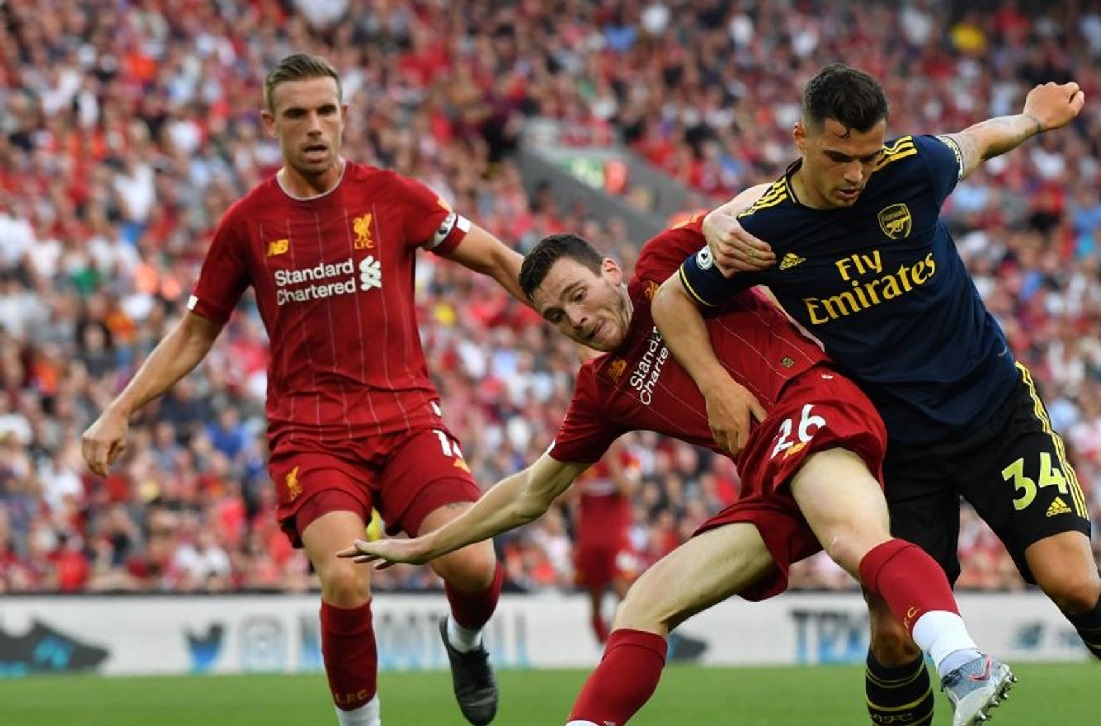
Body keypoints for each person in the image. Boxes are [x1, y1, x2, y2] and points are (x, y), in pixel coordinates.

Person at [652, 62, 1101, 726]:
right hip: (896, 447)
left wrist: (1031, 117)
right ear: (800, 138)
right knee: (894, 637)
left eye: (868, 155)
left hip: (994, 407)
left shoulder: (913, 168)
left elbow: (976, 140)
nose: (856, 173)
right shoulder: (762, 231)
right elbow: (672, 298)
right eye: (838, 156)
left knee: (1073, 581)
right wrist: (715, 386)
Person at [339, 220, 1017, 726]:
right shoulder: (602, 388)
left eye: (579, 294)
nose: (577, 319)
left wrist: (721, 218)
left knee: (852, 541)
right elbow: (532, 492)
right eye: (555, 315)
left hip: (814, 405)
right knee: (645, 603)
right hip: (769, 473)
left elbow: (752, 213)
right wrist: (427, 545)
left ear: (609, 270)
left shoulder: (664, 264)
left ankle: (963, 663)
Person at [80, 53, 520, 726]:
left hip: (405, 416)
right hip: (311, 434)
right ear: (270, 124)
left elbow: (492, 255)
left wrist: (567, 308)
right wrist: (120, 408)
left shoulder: (394, 196)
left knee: (470, 562)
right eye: (296, 114)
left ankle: (464, 642)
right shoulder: (248, 223)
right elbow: (196, 331)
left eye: (325, 112)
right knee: (345, 576)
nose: (314, 126)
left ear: (345, 118)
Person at [569, 439, 641, 644]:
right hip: (589, 538)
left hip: (618, 537)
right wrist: (578, 489)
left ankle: (624, 632)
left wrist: (612, 461)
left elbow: (627, 489)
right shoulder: (583, 461)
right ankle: (599, 627)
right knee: (595, 593)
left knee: (623, 589)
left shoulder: (631, 460)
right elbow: (557, 498)